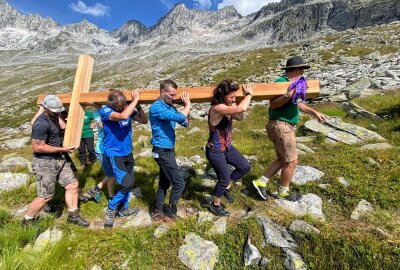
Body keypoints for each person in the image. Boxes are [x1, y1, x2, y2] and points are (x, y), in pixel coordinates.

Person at [253, 56, 326, 202]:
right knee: (291, 161)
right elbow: (273, 104)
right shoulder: (281, 83)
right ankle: (283, 192)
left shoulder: (294, 83)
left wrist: (313, 112)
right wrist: (289, 94)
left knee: (282, 159)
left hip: (282, 126)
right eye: (301, 70)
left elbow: (296, 103)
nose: (303, 73)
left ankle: (261, 182)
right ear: (295, 70)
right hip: (281, 126)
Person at [22, 95, 89, 227]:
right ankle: (27, 220)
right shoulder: (41, 124)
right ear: (45, 108)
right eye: (54, 110)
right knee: (45, 196)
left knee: (72, 185)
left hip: (58, 158)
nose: (58, 112)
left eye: (59, 110)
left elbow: (63, 127)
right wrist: (62, 149)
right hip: (44, 163)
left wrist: (58, 116)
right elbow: (38, 147)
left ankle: (73, 216)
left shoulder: (54, 117)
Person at [101, 90, 148, 228]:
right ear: (112, 104)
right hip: (115, 154)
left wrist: (138, 106)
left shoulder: (126, 108)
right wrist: (134, 100)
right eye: (119, 107)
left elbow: (144, 121)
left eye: (123, 106)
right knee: (126, 183)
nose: (122, 108)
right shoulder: (106, 111)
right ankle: (111, 208)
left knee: (130, 182)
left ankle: (123, 209)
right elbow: (123, 116)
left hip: (127, 152)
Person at [206, 80, 254, 216]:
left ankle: (226, 188)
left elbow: (239, 116)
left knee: (244, 167)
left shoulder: (227, 105)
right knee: (224, 179)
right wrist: (248, 94)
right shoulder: (217, 107)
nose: (234, 99)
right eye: (231, 97)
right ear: (222, 95)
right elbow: (242, 109)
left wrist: (233, 103)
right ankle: (215, 204)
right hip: (215, 150)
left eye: (235, 97)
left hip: (227, 147)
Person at [149, 79, 191, 222]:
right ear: (163, 92)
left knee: (164, 183)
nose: (174, 97)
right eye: (172, 95)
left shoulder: (170, 107)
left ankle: (157, 211)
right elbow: (179, 117)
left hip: (168, 150)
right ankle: (171, 213)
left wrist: (186, 112)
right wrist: (187, 105)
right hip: (162, 151)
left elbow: (184, 122)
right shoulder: (156, 107)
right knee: (179, 183)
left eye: (175, 95)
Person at [86, 102, 115, 202]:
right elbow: (101, 125)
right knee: (112, 174)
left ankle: (96, 189)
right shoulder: (97, 112)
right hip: (102, 149)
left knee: (112, 173)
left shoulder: (110, 110)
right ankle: (111, 198)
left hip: (110, 148)